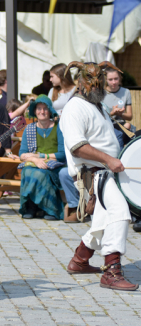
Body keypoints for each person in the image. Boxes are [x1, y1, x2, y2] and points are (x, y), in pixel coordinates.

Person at [61, 61, 138, 291]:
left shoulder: (98, 105)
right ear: (80, 81)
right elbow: (77, 147)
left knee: (105, 221)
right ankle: (111, 272)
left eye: (100, 80)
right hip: (94, 174)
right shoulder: (74, 108)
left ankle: (79, 260)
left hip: (106, 172)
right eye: (91, 80)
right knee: (120, 213)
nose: (97, 84)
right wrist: (108, 159)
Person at [18, 95, 66, 220]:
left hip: (55, 164)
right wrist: (35, 159)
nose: (42, 112)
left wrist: (41, 156)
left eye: (45, 108)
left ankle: (49, 209)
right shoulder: (29, 129)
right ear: (34, 111)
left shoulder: (59, 127)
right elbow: (22, 154)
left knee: (41, 174)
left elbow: (62, 154)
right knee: (27, 171)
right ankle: (30, 206)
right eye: (39, 108)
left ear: (50, 110)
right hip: (36, 164)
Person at [102, 67, 134, 148]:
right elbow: (100, 116)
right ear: (105, 80)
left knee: (127, 125)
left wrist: (121, 114)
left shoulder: (126, 92)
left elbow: (130, 116)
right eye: (110, 79)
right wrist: (112, 113)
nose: (114, 82)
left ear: (120, 78)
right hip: (107, 124)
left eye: (116, 79)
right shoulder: (101, 94)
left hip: (121, 124)